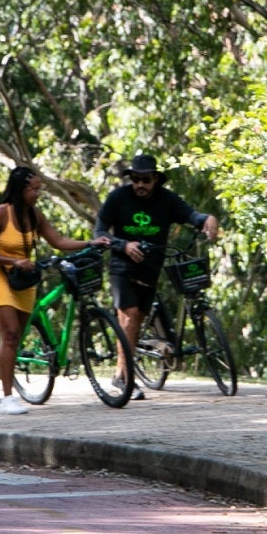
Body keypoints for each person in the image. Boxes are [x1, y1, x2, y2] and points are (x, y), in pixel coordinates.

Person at [0, 165, 108, 415]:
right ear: (20, 190)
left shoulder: (35, 215)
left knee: (14, 338)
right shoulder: (0, 214)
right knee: (10, 334)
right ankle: (8, 398)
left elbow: (58, 241)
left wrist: (90, 242)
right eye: (34, 189)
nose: (38, 194)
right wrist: (14, 261)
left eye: (40, 189)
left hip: (23, 280)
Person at [94, 154, 219, 398]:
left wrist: (208, 219)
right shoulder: (118, 198)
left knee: (135, 323)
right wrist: (123, 245)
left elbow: (191, 216)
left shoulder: (167, 199)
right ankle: (125, 379)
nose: (140, 185)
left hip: (150, 270)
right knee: (129, 318)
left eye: (146, 180)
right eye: (136, 179)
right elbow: (99, 231)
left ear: (156, 180)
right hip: (122, 268)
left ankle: (120, 374)